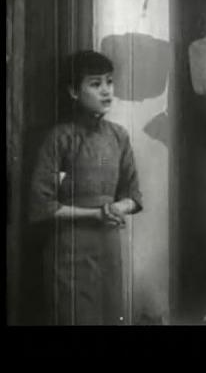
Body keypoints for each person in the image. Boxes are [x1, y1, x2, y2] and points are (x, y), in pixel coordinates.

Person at [29, 50, 143, 325]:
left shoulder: (118, 136)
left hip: (109, 248)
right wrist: (95, 214)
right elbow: (42, 205)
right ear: (73, 91)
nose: (106, 91)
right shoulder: (59, 138)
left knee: (112, 316)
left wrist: (118, 207)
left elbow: (133, 194)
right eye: (95, 84)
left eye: (109, 82)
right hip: (70, 250)